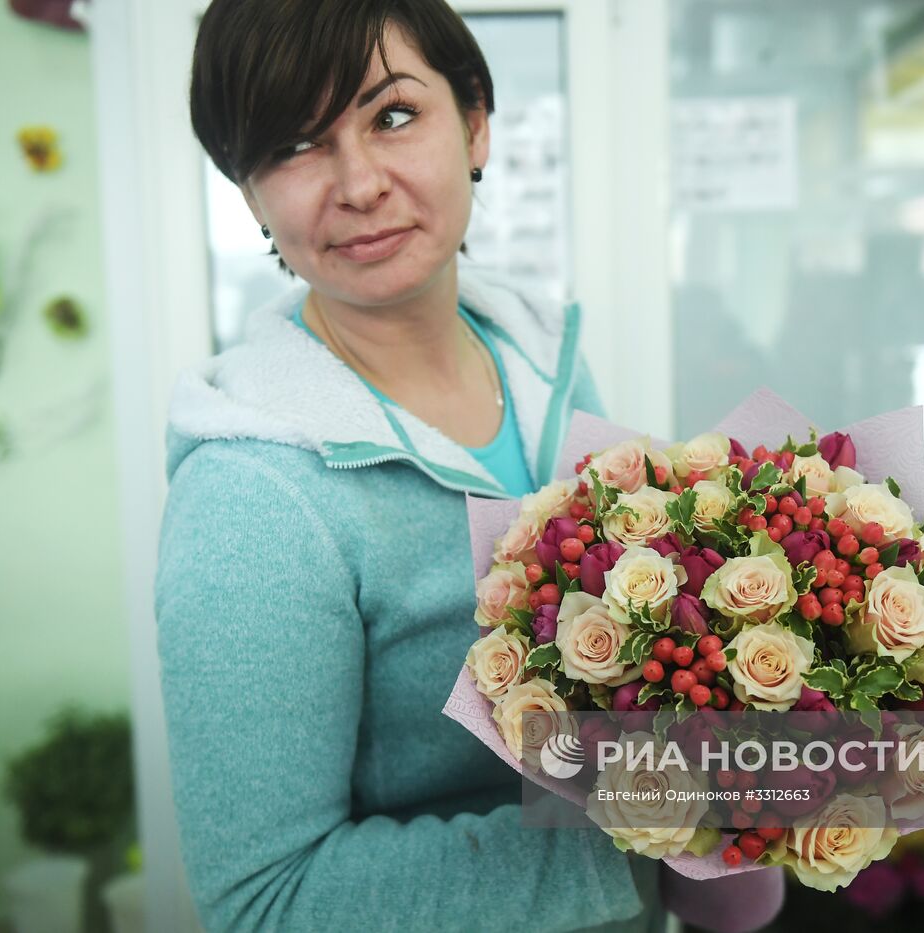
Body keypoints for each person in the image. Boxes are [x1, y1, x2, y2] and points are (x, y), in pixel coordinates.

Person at [153, 1, 668, 929]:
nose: (358, 184)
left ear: (474, 121)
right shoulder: (254, 498)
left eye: (393, 116)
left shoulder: (547, 360)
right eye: (296, 144)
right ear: (250, 193)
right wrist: (646, 836)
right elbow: (264, 900)